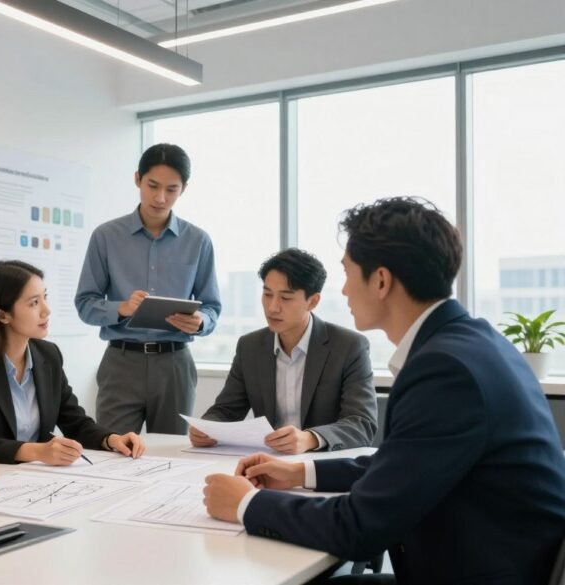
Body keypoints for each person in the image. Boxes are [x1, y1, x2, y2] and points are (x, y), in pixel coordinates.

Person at [202, 197, 565, 584]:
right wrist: (299, 473)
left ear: (380, 280)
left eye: (346, 273)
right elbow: (402, 463)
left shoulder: (444, 370)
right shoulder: (471, 342)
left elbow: (359, 527)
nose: (342, 290)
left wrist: (247, 503)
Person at [75, 143, 221, 435]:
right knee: (111, 453)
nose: (160, 197)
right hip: (121, 363)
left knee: (172, 457)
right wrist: (121, 308)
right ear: (137, 179)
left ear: (184, 189)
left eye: (172, 189)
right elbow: (85, 304)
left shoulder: (199, 241)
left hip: (175, 365)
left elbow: (211, 306)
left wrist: (200, 321)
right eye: (152, 185)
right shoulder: (106, 237)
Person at [0, 260, 145, 465]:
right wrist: (37, 452)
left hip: (38, 478)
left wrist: (112, 439)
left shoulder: (49, 355)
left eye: (45, 298)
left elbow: (75, 422)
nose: (47, 310)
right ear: (3, 315)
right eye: (34, 303)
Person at [190, 248, 377, 454]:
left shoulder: (348, 346)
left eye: (286, 298)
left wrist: (310, 439)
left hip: (323, 464)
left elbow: (361, 424)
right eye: (267, 294)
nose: (272, 307)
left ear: (313, 301)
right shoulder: (250, 346)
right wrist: (206, 428)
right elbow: (226, 410)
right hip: (269, 460)